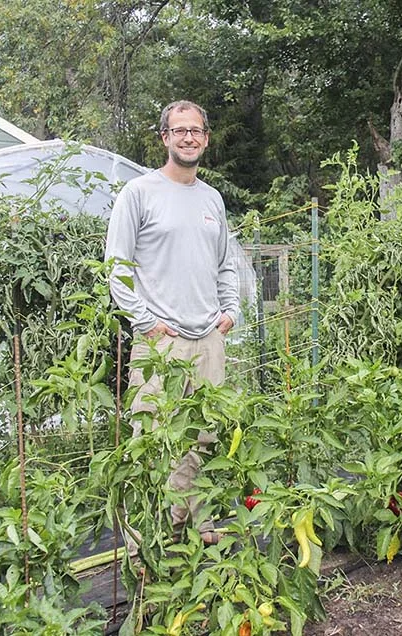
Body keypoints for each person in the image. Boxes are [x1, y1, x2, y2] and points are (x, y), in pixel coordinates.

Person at [105, 100, 240, 547]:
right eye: (178, 130)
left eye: (196, 130)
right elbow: (118, 270)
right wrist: (147, 323)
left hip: (208, 340)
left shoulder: (211, 199)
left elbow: (226, 264)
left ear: (206, 138)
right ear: (164, 137)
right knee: (153, 440)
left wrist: (230, 310)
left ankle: (195, 525)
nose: (188, 138)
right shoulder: (139, 194)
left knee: (204, 439)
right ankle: (147, 535)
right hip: (161, 343)